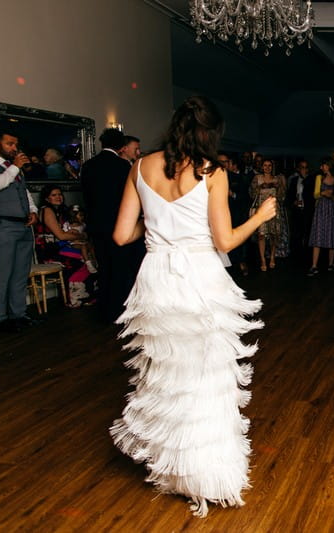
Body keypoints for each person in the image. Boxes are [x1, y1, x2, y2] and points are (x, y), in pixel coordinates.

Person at [109, 95, 276, 518]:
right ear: (209, 134)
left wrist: (161, 221)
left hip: (157, 277)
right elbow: (223, 242)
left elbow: (121, 236)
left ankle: (174, 471)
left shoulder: (141, 166)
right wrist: (259, 216)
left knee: (169, 375)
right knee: (206, 376)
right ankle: (204, 474)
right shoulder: (211, 172)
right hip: (200, 277)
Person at [81, 128, 145, 322]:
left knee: (104, 267)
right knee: (120, 268)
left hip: (96, 226)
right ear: (123, 147)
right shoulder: (123, 166)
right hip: (119, 225)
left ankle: (104, 309)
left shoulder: (88, 165)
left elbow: (87, 197)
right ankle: (118, 310)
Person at [0, 129, 39, 333]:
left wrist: (32, 210)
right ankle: (0, 319)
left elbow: (23, 191)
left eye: (15, 144)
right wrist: (14, 168)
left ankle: (19, 314)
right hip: (2, 224)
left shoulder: (13, 167)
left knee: (20, 273)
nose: (14, 148)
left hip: (23, 224)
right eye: (10, 144)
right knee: (3, 273)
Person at [34, 186, 97, 306]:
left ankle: (88, 294)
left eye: (59, 194)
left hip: (62, 246)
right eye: (54, 195)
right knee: (80, 260)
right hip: (50, 250)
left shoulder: (62, 211)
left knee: (90, 256)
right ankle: (74, 298)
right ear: (47, 198)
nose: (58, 197)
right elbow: (61, 236)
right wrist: (82, 236)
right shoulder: (47, 210)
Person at [251, 159, 286, 271]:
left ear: (272, 167)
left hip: (274, 210)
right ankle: (262, 260)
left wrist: (280, 186)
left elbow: (282, 196)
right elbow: (252, 194)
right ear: (262, 167)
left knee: (273, 235)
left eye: (269, 165)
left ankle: (272, 257)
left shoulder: (277, 179)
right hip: (261, 210)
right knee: (261, 234)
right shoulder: (257, 178)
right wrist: (260, 187)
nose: (267, 167)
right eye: (265, 165)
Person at [307, 159, 334, 276]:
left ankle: (331, 264)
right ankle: (314, 265)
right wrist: (324, 193)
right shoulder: (319, 178)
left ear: (328, 166)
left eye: (323, 165)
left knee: (331, 234)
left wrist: (331, 196)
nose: (321, 167)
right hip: (321, 208)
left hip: (332, 209)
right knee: (317, 234)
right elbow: (315, 195)